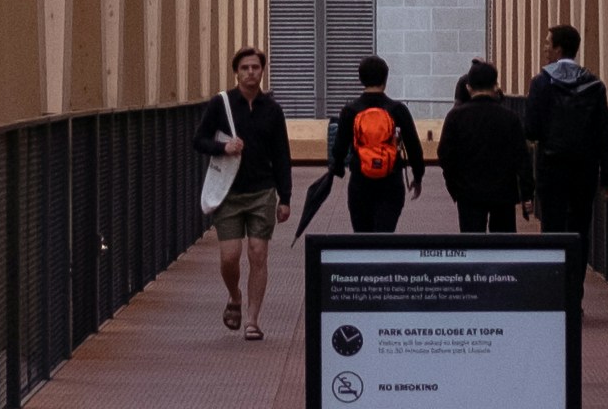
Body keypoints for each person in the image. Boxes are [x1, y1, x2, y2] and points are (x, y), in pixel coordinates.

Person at [200, 48, 294, 339]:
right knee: (230, 257)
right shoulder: (221, 104)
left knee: (258, 253)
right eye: (245, 67)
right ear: (236, 72)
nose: (251, 72)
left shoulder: (272, 110)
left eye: (255, 67)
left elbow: (282, 154)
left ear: (262, 71)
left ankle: (253, 320)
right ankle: (234, 296)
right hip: (228, 191)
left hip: (262, 191)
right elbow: (198, 140)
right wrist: (223, 148)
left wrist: (285, 197)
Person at [302, 53, 427, 238]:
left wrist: (337, 169)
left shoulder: (350, 110)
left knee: (362, 240)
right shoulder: (398, 110)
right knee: (384, 239)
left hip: (360, 184)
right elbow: (414, 147)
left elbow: (339, 149)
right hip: (391, 184)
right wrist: (418, 177)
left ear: (360, 79)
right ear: (386, 79)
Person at [520, 22, 608, 235]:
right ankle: (576, 268)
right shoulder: (595, 84)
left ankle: (555, 267)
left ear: (558, 49)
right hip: (585, 167)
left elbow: (531, 129)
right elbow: (603, 131)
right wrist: (607, 174)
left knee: (552, 224)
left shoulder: (540, 83)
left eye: (547, 43)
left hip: (552, 166)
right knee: (580, 224)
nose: (544, 48)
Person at [434, 59, 531, 235]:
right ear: (495, 86)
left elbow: (445, 154)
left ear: (469, 87)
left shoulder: (455, 117)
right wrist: (526, 193)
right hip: (503, 192)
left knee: (472, 244)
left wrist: (454, 187)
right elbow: (522, 158)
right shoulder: (510, 117)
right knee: (503, 245)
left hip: (468, 191)